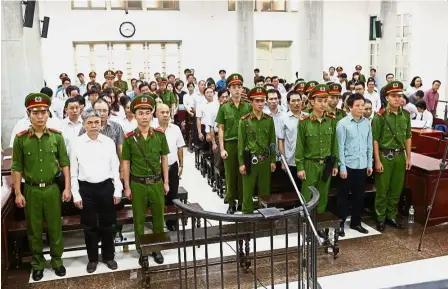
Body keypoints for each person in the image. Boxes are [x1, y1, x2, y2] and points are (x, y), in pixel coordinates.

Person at [12, 93, 71, 281]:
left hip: (52, 189)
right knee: (34, 229)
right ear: (28, 113)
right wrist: (18, 192)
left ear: (48, 114)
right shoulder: (21, 139)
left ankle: (57, 261)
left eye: (43, 112)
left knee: (55, 227)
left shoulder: (56, 137)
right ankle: (37, 263)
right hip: (31, 190)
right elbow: (17, 167)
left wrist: (67, 188)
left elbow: (64, 163)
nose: (40, 116)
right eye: (35, 112)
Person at [70, 108, 121, 273]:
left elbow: (115, 168)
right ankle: (92, 258)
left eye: (96, 122)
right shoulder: (76, 143)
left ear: (101, 123)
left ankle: (109, 256)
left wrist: (117, 190)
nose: (93, 125)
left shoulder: (108, 142)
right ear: (84, 124)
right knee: (89, 226)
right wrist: (76, 194)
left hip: (106, 186)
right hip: (86, 188)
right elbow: (73, 172)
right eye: (89, 122)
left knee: (108, 224)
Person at [122, 95, 170, 266]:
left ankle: (157, 249)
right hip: (138, 184)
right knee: (139, 220)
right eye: (140, 113)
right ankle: (142, 250)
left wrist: (166, 182)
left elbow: (164, 158)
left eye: (147, 113)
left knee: (158, 218)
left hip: (156, 182)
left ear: (152, 115)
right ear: (135, 115)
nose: (144, 116)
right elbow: (125, 163)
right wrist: (127, 186)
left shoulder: (159, 135)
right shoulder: (129, 138)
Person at [372, 81, 412, 232]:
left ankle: (392, 215)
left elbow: (408, 137)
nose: (397, 99)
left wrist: (409, 157)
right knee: (382, 189)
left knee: (396, 189)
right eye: (393, 96)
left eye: (399, 96)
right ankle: (380, 217)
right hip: (384, 155)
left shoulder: (406, 115)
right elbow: (375, 139)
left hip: (400, 156)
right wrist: (377, 160)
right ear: (387, 98)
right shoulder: (380, 116)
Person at [295, 84, 338, 213]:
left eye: (325, 101)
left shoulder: (331, 121)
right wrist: (300, 167)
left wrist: (335, 165)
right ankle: (307, 224)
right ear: (312, 102)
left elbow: (334, 144)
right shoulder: (304, 122)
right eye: (319, 101)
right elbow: (300, 146)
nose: (323, 104)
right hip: (310, 164)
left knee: (323, 196)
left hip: (326, 164)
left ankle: (318, 224)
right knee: (308, 195)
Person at [336, 93, 373, 237]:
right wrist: (342, 167)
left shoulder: (367, 123)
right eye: (357, 106)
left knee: (359, 195)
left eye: (362, 105)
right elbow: (340, 147)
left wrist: (369, 164)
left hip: (362, 165)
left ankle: (356, 222)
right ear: (350, 107)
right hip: (348, 166)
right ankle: (340, 222)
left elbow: (369, 144)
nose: (360, 108)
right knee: (343, 196)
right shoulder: (343, 124)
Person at [216, 73, 252, 214]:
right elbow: (221, 128)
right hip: (230, 145)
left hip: (245, 146)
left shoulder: (248, 106)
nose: (238, 90)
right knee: (230, 176)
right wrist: (222, 149)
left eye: (240, 87)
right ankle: (231, 202)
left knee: (244, 174)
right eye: (234, 87)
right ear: (229, 89)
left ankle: (243, 202)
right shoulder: (224, 107)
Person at [238, 87, 276, 214]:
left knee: (265, 191)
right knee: (247, 191)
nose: (260, 104)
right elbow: (241, 143)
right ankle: (247, 215)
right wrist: (241, 163)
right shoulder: (245, 121)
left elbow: (272, 142)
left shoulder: (269, 120)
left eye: (262, 101)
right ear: (251, 102)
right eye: (257, 101)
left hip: (265, 161)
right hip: (250, 161)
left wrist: (273, 160)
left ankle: (263, 215)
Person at [155, 104, 185, 231]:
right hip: (156, 169)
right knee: (157, 197)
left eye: (167, 112)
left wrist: (181, 164)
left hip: (172, 166)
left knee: (172, 195)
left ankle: (171, 223)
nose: (166, 114)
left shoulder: (175, 129)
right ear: (156, 114)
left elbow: (180, 148)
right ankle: (158, 223)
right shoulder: (152, 129)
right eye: (162, 112)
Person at [278, 90, 304, 190]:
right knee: (292, 190)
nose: (296, 103)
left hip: (305, 160)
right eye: (293, 101)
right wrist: (283, 160)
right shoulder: (283, 118)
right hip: (290, 161)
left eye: (298, 100)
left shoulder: (308, 117)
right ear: (288, 102)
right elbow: (281, 140)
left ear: (302, 101)